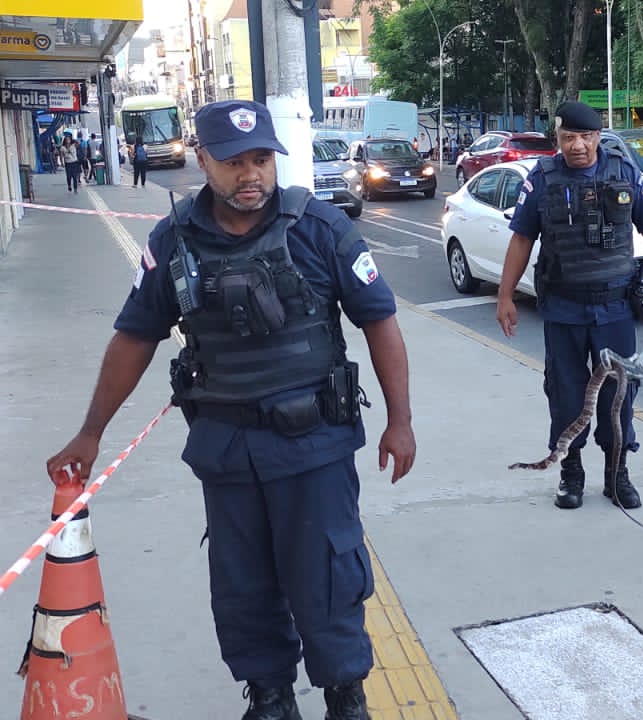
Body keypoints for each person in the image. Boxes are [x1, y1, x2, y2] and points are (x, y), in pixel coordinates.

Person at [45, 99, 416, 720]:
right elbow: (135, 336)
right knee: (243, 586)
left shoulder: (320, 229)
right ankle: (270, 697)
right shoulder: (176, 240)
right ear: (203, 161)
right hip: (230, 451)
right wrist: (90, 433)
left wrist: (399, 421)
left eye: (262, 159)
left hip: (314, 447)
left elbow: (379, 321)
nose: (252, 174)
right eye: (235, 162)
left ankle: (345, 696)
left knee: (327, 578)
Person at [495, 101, 643, 512]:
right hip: (563, 309)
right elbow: (522, 239)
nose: (577, 145)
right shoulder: (542, 179)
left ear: (599, 136)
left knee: (619, 395)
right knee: (566, 394)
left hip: (614, 309)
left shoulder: (624, 173)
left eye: (586, 137)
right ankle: (571, 470)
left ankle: (617, 474)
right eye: (568, 138)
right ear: (558, 140)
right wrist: (506, 295)